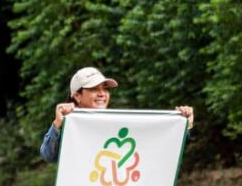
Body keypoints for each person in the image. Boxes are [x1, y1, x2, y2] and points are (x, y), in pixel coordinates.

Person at [40, 66, 195, 162]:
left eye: (105, 89)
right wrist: (58, 124)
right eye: (94, 89)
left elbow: (160, 147)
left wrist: (184, 125)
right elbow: (48, 156)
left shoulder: (119, 122)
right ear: (77, 96)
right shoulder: (68, 123)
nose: (102, 94)